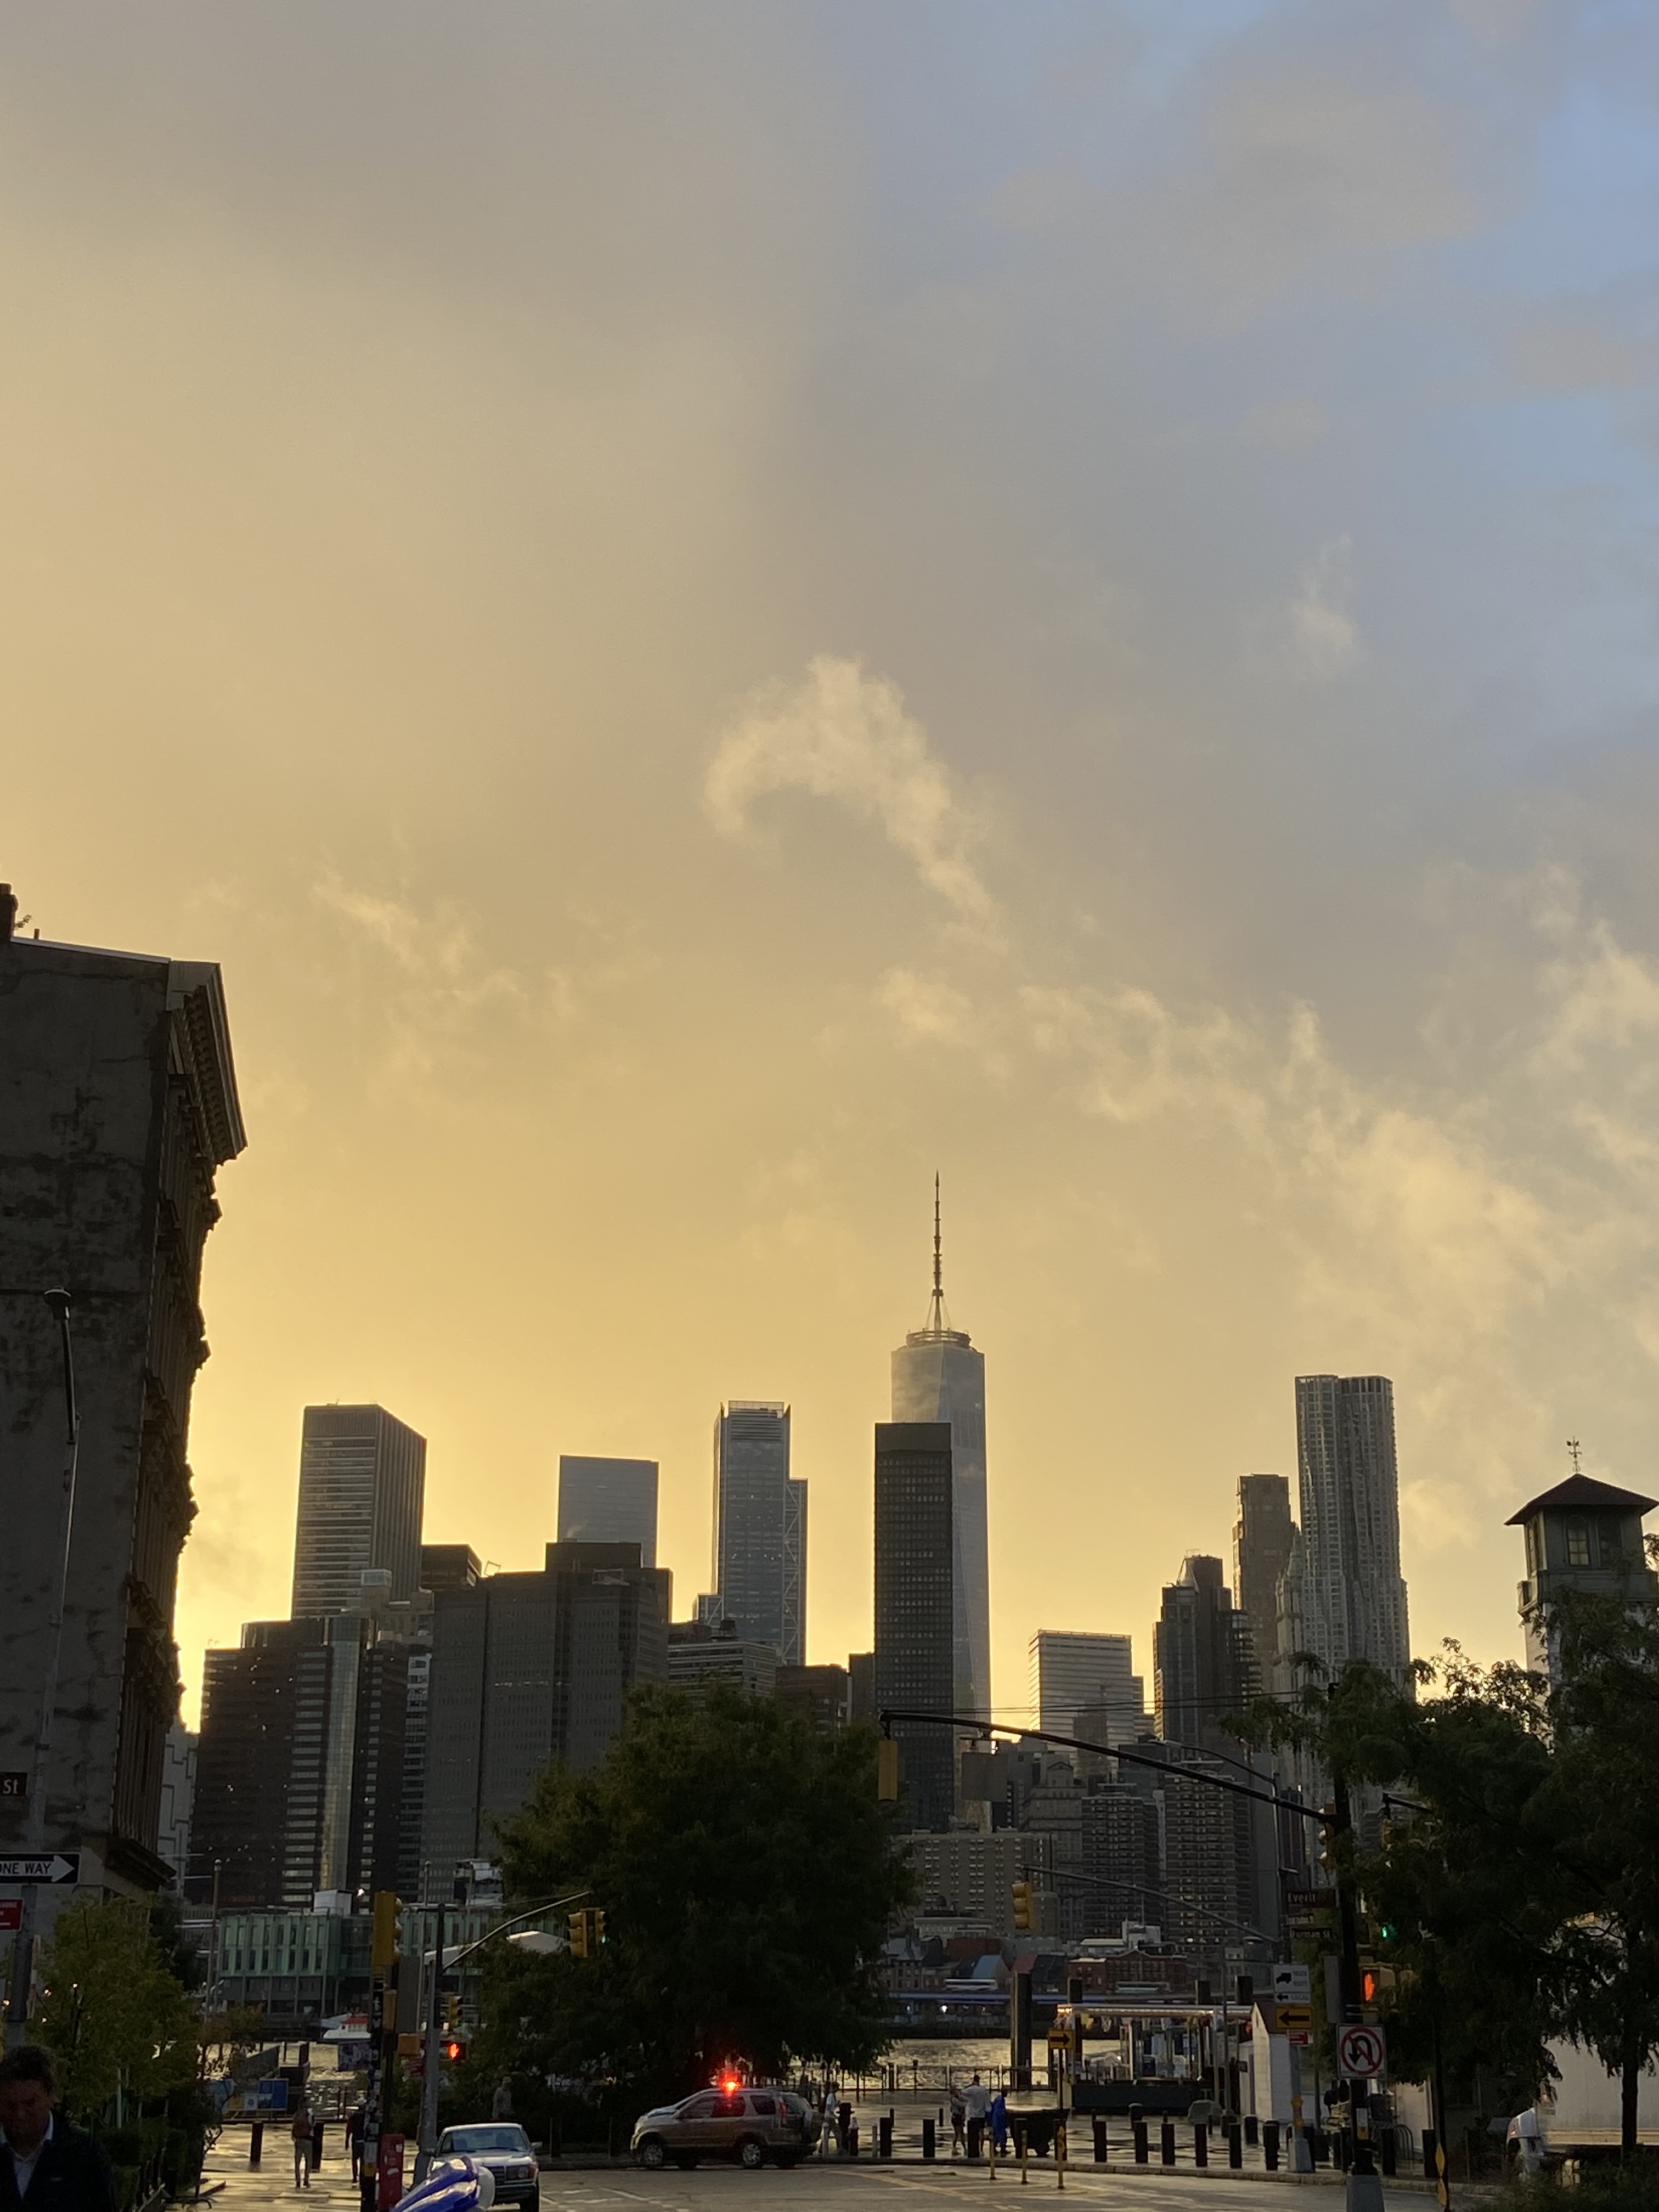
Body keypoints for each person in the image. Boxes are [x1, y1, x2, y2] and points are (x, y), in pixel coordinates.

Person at [0, 2045, 116, 2212]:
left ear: (51, 2096)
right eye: (11, 2105)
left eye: (30, 2104)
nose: (20, 2114)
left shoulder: (85, 2156)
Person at [964, 2074, 991, 2162]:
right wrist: (988, 2111)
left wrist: (969, 2086)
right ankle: (981, 2149)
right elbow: (987, 2102)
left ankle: (973, 2148)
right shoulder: (983, 2090)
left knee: (973, 2133)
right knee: (981, 2132)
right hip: (981, 2114)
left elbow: (962, 2092)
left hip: (973, 2114)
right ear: (979, 2080)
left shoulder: (971, 2090)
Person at [291, 2102, 312, 2190]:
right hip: (308, 2140)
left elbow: (294, 2125)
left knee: (297, 2162)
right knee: (309, 2161)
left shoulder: (297, 2115)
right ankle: (306, 2179)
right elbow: (312, 2126)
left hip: (298, 2140)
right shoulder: (309, 2115)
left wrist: (294, 2136)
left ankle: (298, 2180)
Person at [346, 2104, 366, 2186]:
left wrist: (347, 2141)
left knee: (355, 2159)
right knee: (363, 2160)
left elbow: (349, 2129)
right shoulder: (366, 2116)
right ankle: (362, 2176)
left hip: (355, 2140)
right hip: (364, 2141)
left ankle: (355, 2176)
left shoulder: (354, 2117)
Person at [990, 2090, 1009, 2158]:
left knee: (996, 2135)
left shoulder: (998, 2099)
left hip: (995, 2120)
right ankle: (1002, 2149)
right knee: (1001, 2135)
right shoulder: (1001, 2100)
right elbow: (1001, 2112)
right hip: (999, 2121)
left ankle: (994, 2148)